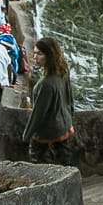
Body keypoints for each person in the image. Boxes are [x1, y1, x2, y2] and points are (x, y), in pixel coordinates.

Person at [23, 37, 75, 165]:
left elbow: (38, 113)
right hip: (65, 123)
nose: (35, 57)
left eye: (40, 54)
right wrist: (70, 115)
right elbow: (70, 97)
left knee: (38, 160)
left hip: (49, 129)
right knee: (64, 159)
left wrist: (27, 135)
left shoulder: (45, 84)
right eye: (34, 53)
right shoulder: (63, 70)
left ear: (49, 56)